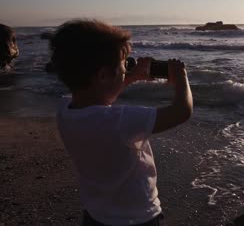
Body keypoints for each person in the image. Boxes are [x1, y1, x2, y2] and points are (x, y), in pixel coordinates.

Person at [51, 19, 193, 226]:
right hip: (138, 217)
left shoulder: (65, 109)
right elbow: (181, 112)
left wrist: (128, 78)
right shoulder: (122, 121)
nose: (126, 70)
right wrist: (181, 77)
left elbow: (100, 97)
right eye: (123, 66)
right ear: (103, 75)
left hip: (96, 214)